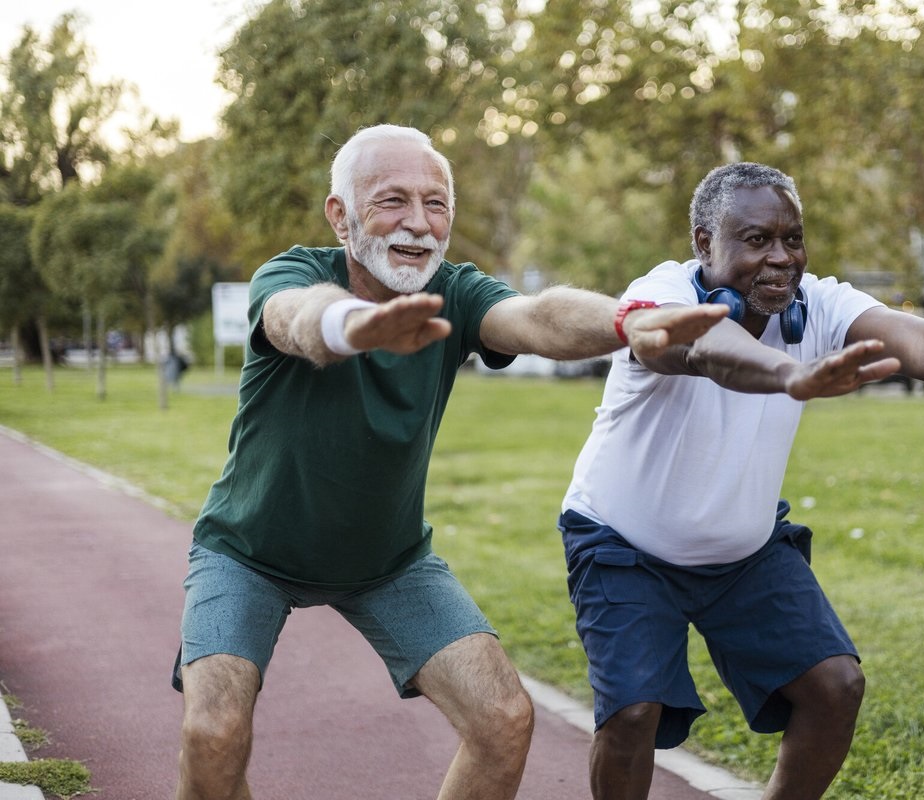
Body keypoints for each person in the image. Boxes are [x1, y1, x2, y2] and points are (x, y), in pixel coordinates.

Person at [557, 161, 924, 800]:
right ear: (705, 243)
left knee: (834, 687)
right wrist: (785, 373)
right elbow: (698, 348)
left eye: (792, 238)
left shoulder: (814, 303)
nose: (781, 258)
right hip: (624, 545)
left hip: (742, 551)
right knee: (632, 714)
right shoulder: (661, 295)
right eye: (756, 240)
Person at [171, 123, 727, 800]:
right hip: (247, 553)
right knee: (213, 732)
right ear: (339, 216)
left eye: (436, 203)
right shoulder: (294, 274)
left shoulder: (455, 293)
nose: (418, 222)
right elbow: (294, 317)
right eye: (392, 200)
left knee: (503, 719)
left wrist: (626, 322)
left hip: (387, 562)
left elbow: (537, 317)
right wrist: (352, 326)